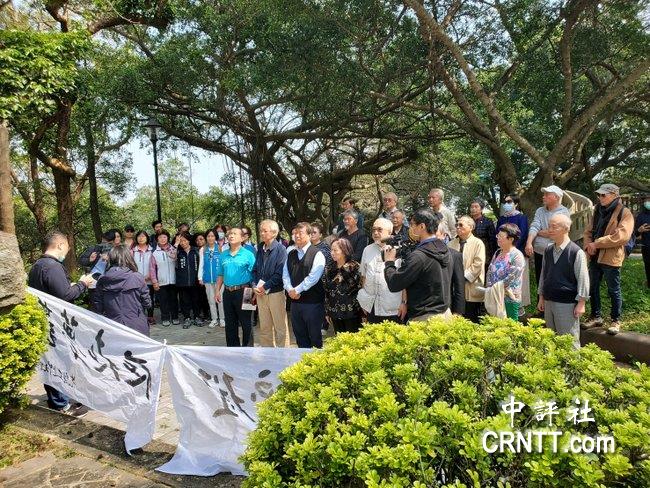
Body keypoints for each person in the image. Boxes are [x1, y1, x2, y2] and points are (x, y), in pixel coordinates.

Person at [28, 230, 93, 417]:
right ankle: (61, 404)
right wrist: (82, 284)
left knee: (51, 360)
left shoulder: (37, 266)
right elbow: (65, 295)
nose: (67, 251)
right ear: (60, 245)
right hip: (57, 324)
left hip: (46, 320)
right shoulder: (53, 267)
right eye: (67, 247)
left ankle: (57, 400)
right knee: (61, 361)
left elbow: (54, 291)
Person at [582, 183, 634, 335]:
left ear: (614, 195)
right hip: (594, 255)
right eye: (598, 195)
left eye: (603, 195)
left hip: (611, 256)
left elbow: (622, 236)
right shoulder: (597, 209)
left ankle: (615, 320)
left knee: (613, 290)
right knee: (593, 287)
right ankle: (596, 316)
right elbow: (588, 231)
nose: (600, 197)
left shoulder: (625, 212)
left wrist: (596, 243)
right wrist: (588, 246)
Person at [383, 209, 451, 322]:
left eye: (412, 225)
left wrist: (389, 262)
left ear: (422, 226)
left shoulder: (419, 256)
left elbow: (394, 283)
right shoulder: (445, 250)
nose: (410, 229)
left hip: (424, 318)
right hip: (444, 314)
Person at [537, 214, 589, 349]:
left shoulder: (576, 252)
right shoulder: (548, 249)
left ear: (566, 229)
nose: (550, 230)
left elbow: (583, 278)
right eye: (549, 226)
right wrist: (541, 297)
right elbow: (544, 274)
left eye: (554, 227)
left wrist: (581, 302)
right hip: (549, 300)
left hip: (567, 303)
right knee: (551, 340)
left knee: (569, 341)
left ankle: (571, 369)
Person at [283, 222, 327, 348]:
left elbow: (313, 277)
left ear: (309, 235)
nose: (297, 236)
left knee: (314, 337)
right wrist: (290, 289)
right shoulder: (291, 253)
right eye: (295, 233)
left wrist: (297, 290)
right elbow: (285, 274)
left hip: (312, 303)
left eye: (300, 233)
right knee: (300, 336)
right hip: (295, 303)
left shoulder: (317, 253)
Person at [93, 245, 152, 336]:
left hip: (112, 327)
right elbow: (147, 303)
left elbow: (98, 307)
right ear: (129, 258)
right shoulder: (137, 277)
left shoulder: (102, 280)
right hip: (137, 327)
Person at [358, 218, 407, 323]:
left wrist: (404, 302)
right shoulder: (367, 250)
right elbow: (364, 277)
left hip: (393, 308)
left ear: (389, 232)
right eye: (373, 230)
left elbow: (404, 280)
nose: (375, 233)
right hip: (372, 306)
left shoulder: (399, 250)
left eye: (380, 230)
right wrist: (364, 301)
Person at [216, 228, 256, 347]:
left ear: (242, 238)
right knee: (230, 323)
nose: (231, 236)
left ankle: (248, 349)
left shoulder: (248, 254)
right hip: (227, 292)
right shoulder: (223, 255)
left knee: (247, 323)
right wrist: (217, 290)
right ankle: (233, 350)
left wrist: (254, 291)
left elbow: (255, 273)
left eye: (234, 234)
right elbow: (220, 274)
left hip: (246, 291)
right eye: (229, 234)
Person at [252, 219, 289, 347]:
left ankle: (283, 355)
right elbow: (255, 270)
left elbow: (279, 273)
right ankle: (267, 354)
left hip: (275, 293)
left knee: (280, 328)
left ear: (274, 233)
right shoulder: (260, 249)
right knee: (265, 328)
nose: (261, 233)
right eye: (261, 230)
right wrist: (254, 285)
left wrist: (265, 286)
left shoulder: (281, 249)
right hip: (261, 293)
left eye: (265, 231)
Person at [525, 185, 570, 286]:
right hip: (539, 251)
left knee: (553, 280)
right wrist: (529, 243)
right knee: (539, 280)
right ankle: (539, 301)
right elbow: (534, 226)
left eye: (547, 194)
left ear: (557, 197)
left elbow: (558, 233)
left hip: (556, 252)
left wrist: (539, 232)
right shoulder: (540, 210)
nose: (543, 197)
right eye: (544, 194)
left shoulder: (563, 212)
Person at [497, 194, 531, 318]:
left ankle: (519, 305)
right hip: (503, 253)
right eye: (504, 201)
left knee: (518, 280)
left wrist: (512, 249)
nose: (506, 204)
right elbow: (498, 234)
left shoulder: (521, 217)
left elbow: (522, 235)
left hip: (518, 252)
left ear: (516, 203)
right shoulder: (501, 218)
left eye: (509, 201)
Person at [485, 224, 526, 321]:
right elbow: (490, 272)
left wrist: (495, 288)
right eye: (497, 236)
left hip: (509, 298)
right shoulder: (498, 252)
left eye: (501, 236)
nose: (498, 238)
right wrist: (489, 289)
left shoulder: (517, 255)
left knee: (510, 328)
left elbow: (512, 278)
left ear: (511, 239)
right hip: (494, 296)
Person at [449, 216, 486, 323]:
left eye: (461, 225)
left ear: (471, 227)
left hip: (471, 289)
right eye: (457, 225)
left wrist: (461, 278)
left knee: (471, 321)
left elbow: (478, 264)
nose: (458, 227)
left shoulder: (478, 243)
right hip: (454, 290)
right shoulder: (451, 244)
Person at [323, 238, 362, 333]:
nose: (332, 253)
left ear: (344, 251)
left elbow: (357, 289)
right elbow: (326, 292)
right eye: (331, 250)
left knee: (352, 342)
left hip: (351, 312)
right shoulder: (329, 267)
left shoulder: (354, 266)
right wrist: (327, 311)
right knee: (339, 341)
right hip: (334, 311)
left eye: (335, 250)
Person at [150, 230, 179, 326]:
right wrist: (154, 281)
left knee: (174, 300)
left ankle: (175, 317)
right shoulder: (154, 252)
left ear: (167, 238)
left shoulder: (173, 248)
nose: (162, 239)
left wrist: (175, 246)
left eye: (164, 237)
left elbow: (175, 258)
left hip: (173, 280)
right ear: (157, 239)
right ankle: (165, 317)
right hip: (161, 281)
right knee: (163, 300)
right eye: (160, 237)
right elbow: (152, 268)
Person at [436, 222, 465, 315]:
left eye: (434, 232)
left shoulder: (454, 255)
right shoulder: (419, 254)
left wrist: (458, 312)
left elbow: (459, 286)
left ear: (443, 235)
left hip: (446, 307)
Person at [198, 229, 225, 328]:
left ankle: (222, 319)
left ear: (216, 237)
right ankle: (214, 319)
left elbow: (223, 265)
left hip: (219, 279)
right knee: (211, 300)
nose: (210, 238)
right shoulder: (203, 249)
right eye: (208, 236)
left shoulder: (221, 248)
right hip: (207, 278)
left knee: (220, 300)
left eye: (212, 236)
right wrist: (200, 277)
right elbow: (201, 264)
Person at [176, 232, 202, 328]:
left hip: (195, 280)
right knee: (184, 301)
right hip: (182, 281)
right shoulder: (177, 252)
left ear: (189, 240)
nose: (182, 243)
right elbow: (171, 256)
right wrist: (176, 244)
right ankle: (187, 318)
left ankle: (197, 317)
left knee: (196, 300)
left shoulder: (196, 251)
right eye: (180, 241)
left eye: (184, 240)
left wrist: (200, 278)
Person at [132, 230, 155, 326]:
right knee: (137, 299)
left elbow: (155, 265)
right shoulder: (132, 251)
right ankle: (140, 317)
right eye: (139, 236)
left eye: (143, 236)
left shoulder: (152, 250)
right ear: (136, 238)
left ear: (147, 238)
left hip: (149, 279)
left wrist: (150, 275)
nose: (141, 238)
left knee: (149, 298)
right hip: (136, 280)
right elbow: (130, 265)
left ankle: (150, 316)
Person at [469, 198, 496, 273]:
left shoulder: (488, 222)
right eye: (472, 207)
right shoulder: (467, 221)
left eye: (476, 207)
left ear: (481, 209)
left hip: (484, 254)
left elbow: (492, 241)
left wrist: (492, 257)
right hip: (469, 252)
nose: (473, 209)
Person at [192, 232, 211, 321]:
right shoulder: (194, 250)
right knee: (198, 297)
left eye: (201, 239)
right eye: (197, 240)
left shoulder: (209, 249)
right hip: (196, 277)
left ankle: (208, 313)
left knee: (206, 296)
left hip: (206, 277)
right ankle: (201, 313)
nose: (199, 241)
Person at [635, 194, 650, 288]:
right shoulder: (641, 216)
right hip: (647, 246)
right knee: (648, 266)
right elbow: (635, 233)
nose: (647, 202)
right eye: (646, 201)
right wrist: (639, 230)